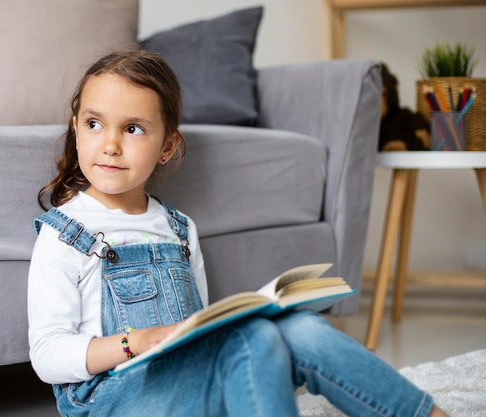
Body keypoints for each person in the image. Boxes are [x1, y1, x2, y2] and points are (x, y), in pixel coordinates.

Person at [28, 50, 448, 417]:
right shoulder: (66, 233)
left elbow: (202, 329)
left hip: (190, 385)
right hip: (114, 401)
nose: (111, 144)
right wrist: (135, 341)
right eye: (95, 124)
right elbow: (47, 356)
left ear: (167, 147)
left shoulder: (178, 228)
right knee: (254, 339)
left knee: (299, 326)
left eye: (133, 128)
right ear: (77, 128)